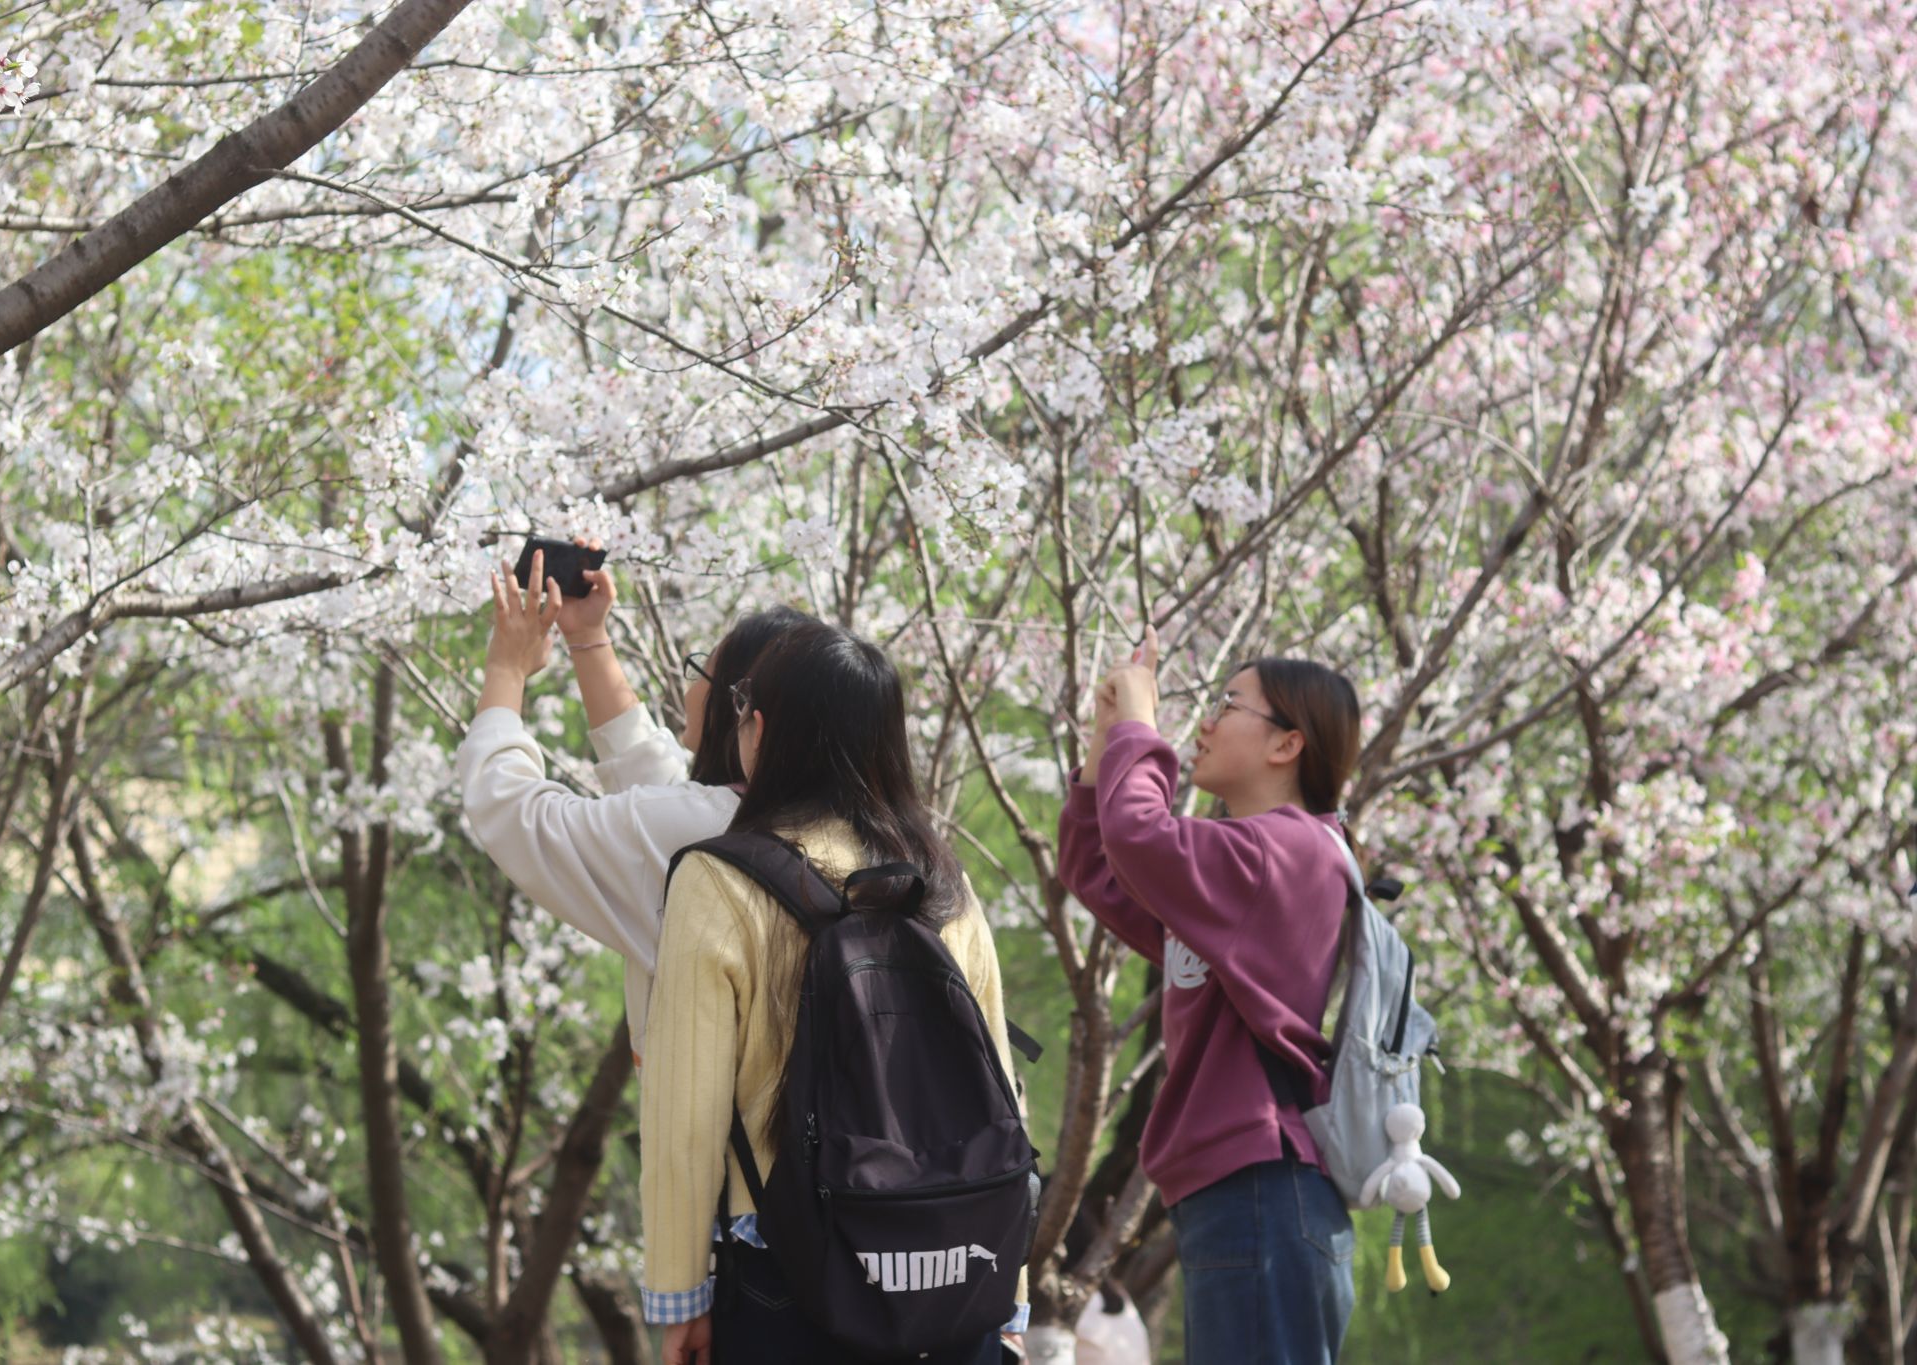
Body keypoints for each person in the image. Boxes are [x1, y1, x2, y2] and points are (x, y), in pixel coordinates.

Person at [639, 621, 1028, 1365]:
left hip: (789, 1273)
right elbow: (1003, 1094)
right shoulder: (943, 885)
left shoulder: (719, 879)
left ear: (763, 729)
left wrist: (679, 1296)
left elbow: (684, 1113)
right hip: (955, 1270)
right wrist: (1012, 1291)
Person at [1056, 627, 1360, 1364]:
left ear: (1287, 744)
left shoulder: (1289, 851)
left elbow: (1139, 834)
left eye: (1228, 704)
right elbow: (1099, 866)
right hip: (1244, 1191)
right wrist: (1109, 737)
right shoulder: (1243, 865)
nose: (1207, 722)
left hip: (1261, 1187)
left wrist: (1140, 724)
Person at [455, 540, 812, 1064]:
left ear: (745, 715)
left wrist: (506, 669)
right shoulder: (792, 821)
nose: (691, 690)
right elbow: (654, 777)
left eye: (700, 674)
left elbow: (516, 815)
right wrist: (587, 637)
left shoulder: (706, 838)